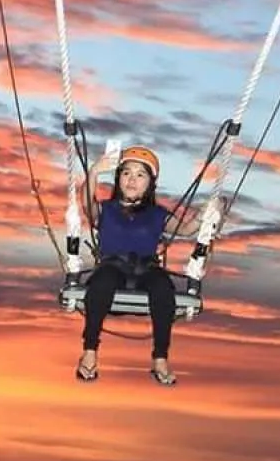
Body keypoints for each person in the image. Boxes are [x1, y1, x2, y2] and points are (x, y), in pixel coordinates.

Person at [74, 144, 221, 387]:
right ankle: (90, 352)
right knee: (102, 282)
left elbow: (186, 229)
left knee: (163, 288)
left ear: (150, 183)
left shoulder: (157, 214)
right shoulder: (106, 210)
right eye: (126, 173)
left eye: (140, 174)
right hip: (113, 266)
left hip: (147, 269)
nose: (132, 179)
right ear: (118, 177)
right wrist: (94, 172)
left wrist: (208, 213)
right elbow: (87, 204)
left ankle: (160, 358)